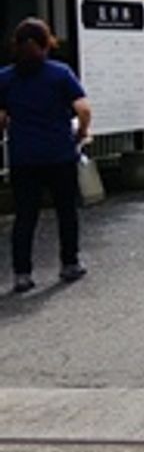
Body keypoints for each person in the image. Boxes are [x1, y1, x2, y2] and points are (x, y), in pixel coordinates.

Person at [0, 18, 92, 292]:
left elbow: (1, 119)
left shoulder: (5, 78)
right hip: (59, 153)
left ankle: (22, 274)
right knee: (66, 211)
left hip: (24, 156)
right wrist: (80, 133)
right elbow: (84, 109)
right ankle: (69, 263)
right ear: (47, 42)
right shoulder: (60, 73)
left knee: (25, 216)